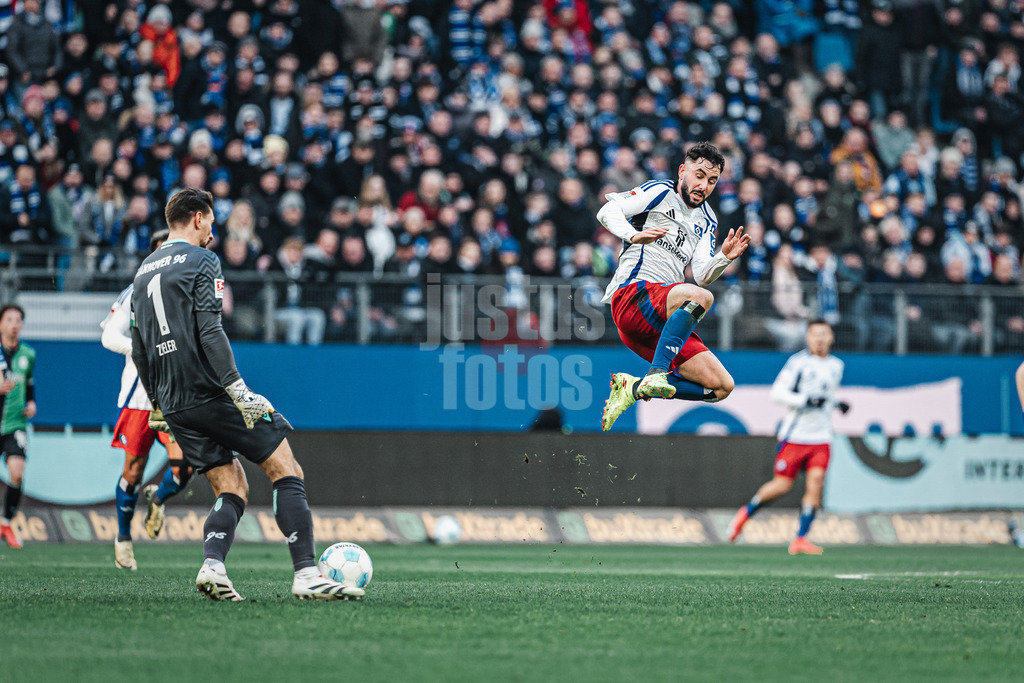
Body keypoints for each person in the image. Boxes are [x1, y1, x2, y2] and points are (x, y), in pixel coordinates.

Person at [129, 188, 361, 601]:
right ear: (198, 218)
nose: (214, 230)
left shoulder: (143, 270)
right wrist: (238, 389)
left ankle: (213, 567)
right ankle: (307, 574)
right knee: (285, 467)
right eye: (212, 221)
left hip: (174, 402)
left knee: (231, 484)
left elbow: (140, 346)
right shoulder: (203, 259)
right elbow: (210, 329)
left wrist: (157, 403)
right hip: (208, 389)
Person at [599, 141, 751, 431]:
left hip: (661, 323)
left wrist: (723, 257)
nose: (703, 185)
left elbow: (704, 274)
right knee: (701, 297)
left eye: (712, 180)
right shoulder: (659, 192)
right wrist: (633, 235)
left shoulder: (707, 219)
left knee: (721, 387)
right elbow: (608, 211)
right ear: (683, 171)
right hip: (633, 297)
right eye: (699, 175)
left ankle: (634, 388)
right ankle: (657, 372)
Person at [101, 229, 194, 571]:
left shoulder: (188, 291)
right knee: (134, 470)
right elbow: (109, 335)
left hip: (177, 396)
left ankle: (159, 497)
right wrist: (141, 352)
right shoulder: (135, 291)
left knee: (184, 467)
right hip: (140, 398)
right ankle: (123, 539)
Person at [726, 319, 850, 555]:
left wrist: (837, 403)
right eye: (816, 334)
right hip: (795, 435)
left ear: (832, 337)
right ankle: (745, 513)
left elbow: (826, 395)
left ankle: (800, 539)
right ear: (808, 338)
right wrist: (805, 400)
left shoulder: (836, 366)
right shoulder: (798, 363)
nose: (820, 338)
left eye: (824, 334)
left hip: (821, 437)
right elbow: (777, 393)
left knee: (816, 484)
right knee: (782, 485)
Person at [0, 304, 36, 549]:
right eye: (9, 319)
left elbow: (30, 382)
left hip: (15, 424)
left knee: (17, 472)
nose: (14, 323)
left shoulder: (28, 354)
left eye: (18, 320)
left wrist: (32, 402)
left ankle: (6, 523)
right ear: (1, 324)